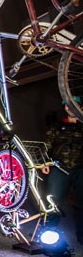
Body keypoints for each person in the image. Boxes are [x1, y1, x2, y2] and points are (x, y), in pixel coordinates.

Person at [45, 96, 83, 245]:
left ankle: (82, 235)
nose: (70, 108)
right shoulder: (57, 126)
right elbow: (47, 145)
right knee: (53, 200)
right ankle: (48, 230)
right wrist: (44, 163)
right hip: (60, 168)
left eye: (74, 105)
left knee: (82, 202)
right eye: (67, 106)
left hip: (80, 169)